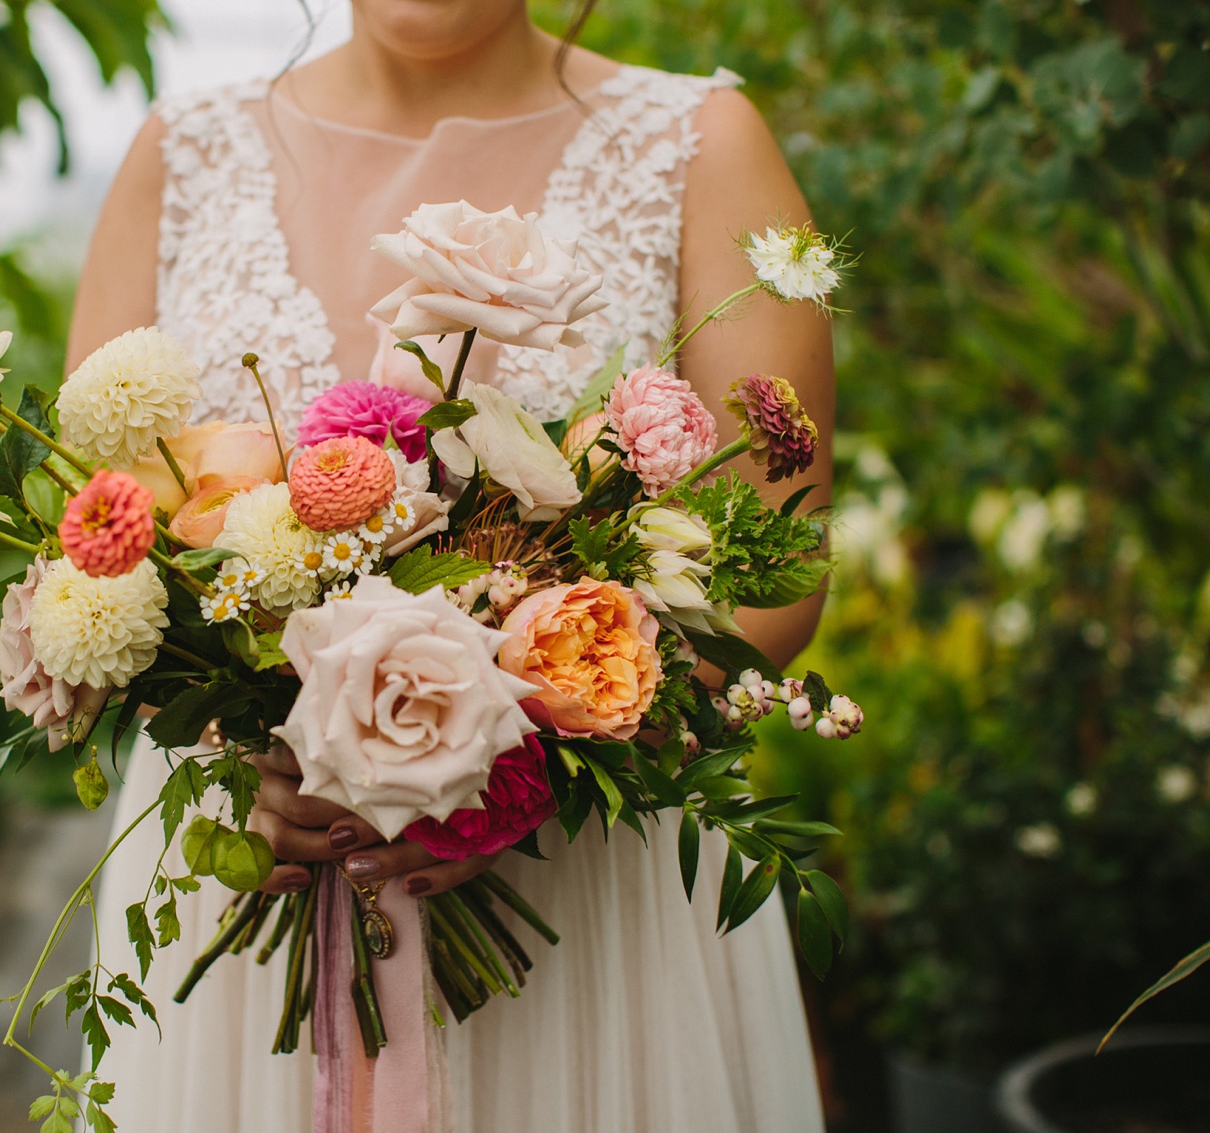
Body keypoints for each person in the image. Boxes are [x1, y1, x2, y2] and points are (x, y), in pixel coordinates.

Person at [68, 2, 833, 1130]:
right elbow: (97, 536)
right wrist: (238, 750)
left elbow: (777, 563)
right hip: (239, 877)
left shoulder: (702, 145)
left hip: (584, 893)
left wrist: (517, 769)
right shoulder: (178, 152)